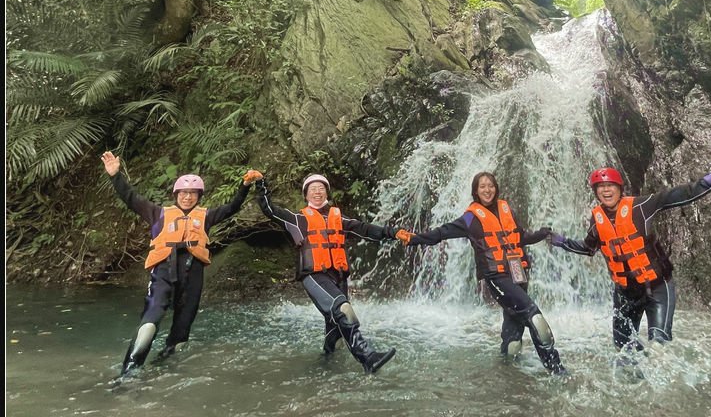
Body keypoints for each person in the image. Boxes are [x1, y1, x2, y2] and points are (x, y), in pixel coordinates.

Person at [101, 151, 264, 376]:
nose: (188, 197)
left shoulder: (206, 216)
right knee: (150, 324)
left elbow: (232, 207)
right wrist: (115, 175)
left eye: (193, 194)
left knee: (181, 334)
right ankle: (129, 370)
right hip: (164, 273)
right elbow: (130, 197)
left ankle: (166, 369)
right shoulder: (157, 213)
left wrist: (245, 185)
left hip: (192, 275)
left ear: (199, 196)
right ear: (176, 194)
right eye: (184, 193)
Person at [397, 171, 567, 375]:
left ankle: (506, 377)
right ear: (476, 191)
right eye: (482, 186)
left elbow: (519, 236)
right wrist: (414, 238)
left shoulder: (505, 208)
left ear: (496, 188)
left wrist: (542, 234)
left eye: (491, 185)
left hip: (518, 273)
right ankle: (557, 371)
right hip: (497, 277)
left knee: (513, 341)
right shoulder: (471, 217)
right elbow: (443, 232)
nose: (488, 190)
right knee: (536, 320)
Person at [549, 164, 711, 354]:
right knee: (624, 348)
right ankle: (637, 375)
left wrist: (705, 185)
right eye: (600, 187)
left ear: (619, 188)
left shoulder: (641, 206)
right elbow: (588, 248)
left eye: (610, 185)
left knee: (659, 344)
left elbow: (674, 196)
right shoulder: (597, 220)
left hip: (658, 286)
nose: (606, 190)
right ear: (596, 192)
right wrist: (563, 242)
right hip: (626, 293)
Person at [255, 173, 401, 374]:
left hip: (337, 276)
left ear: (327, 192)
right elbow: (269, 209)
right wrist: (260, 183)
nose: (317, 191)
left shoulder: (338, 218)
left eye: (321, 188)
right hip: (314, 275)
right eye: (313, 189)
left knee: (334, 327)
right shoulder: (297, 219)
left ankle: (326, 363)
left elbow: (365, 229)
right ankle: (368, 357)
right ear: (306, 195)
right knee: (344, 311)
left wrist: (393, 233)